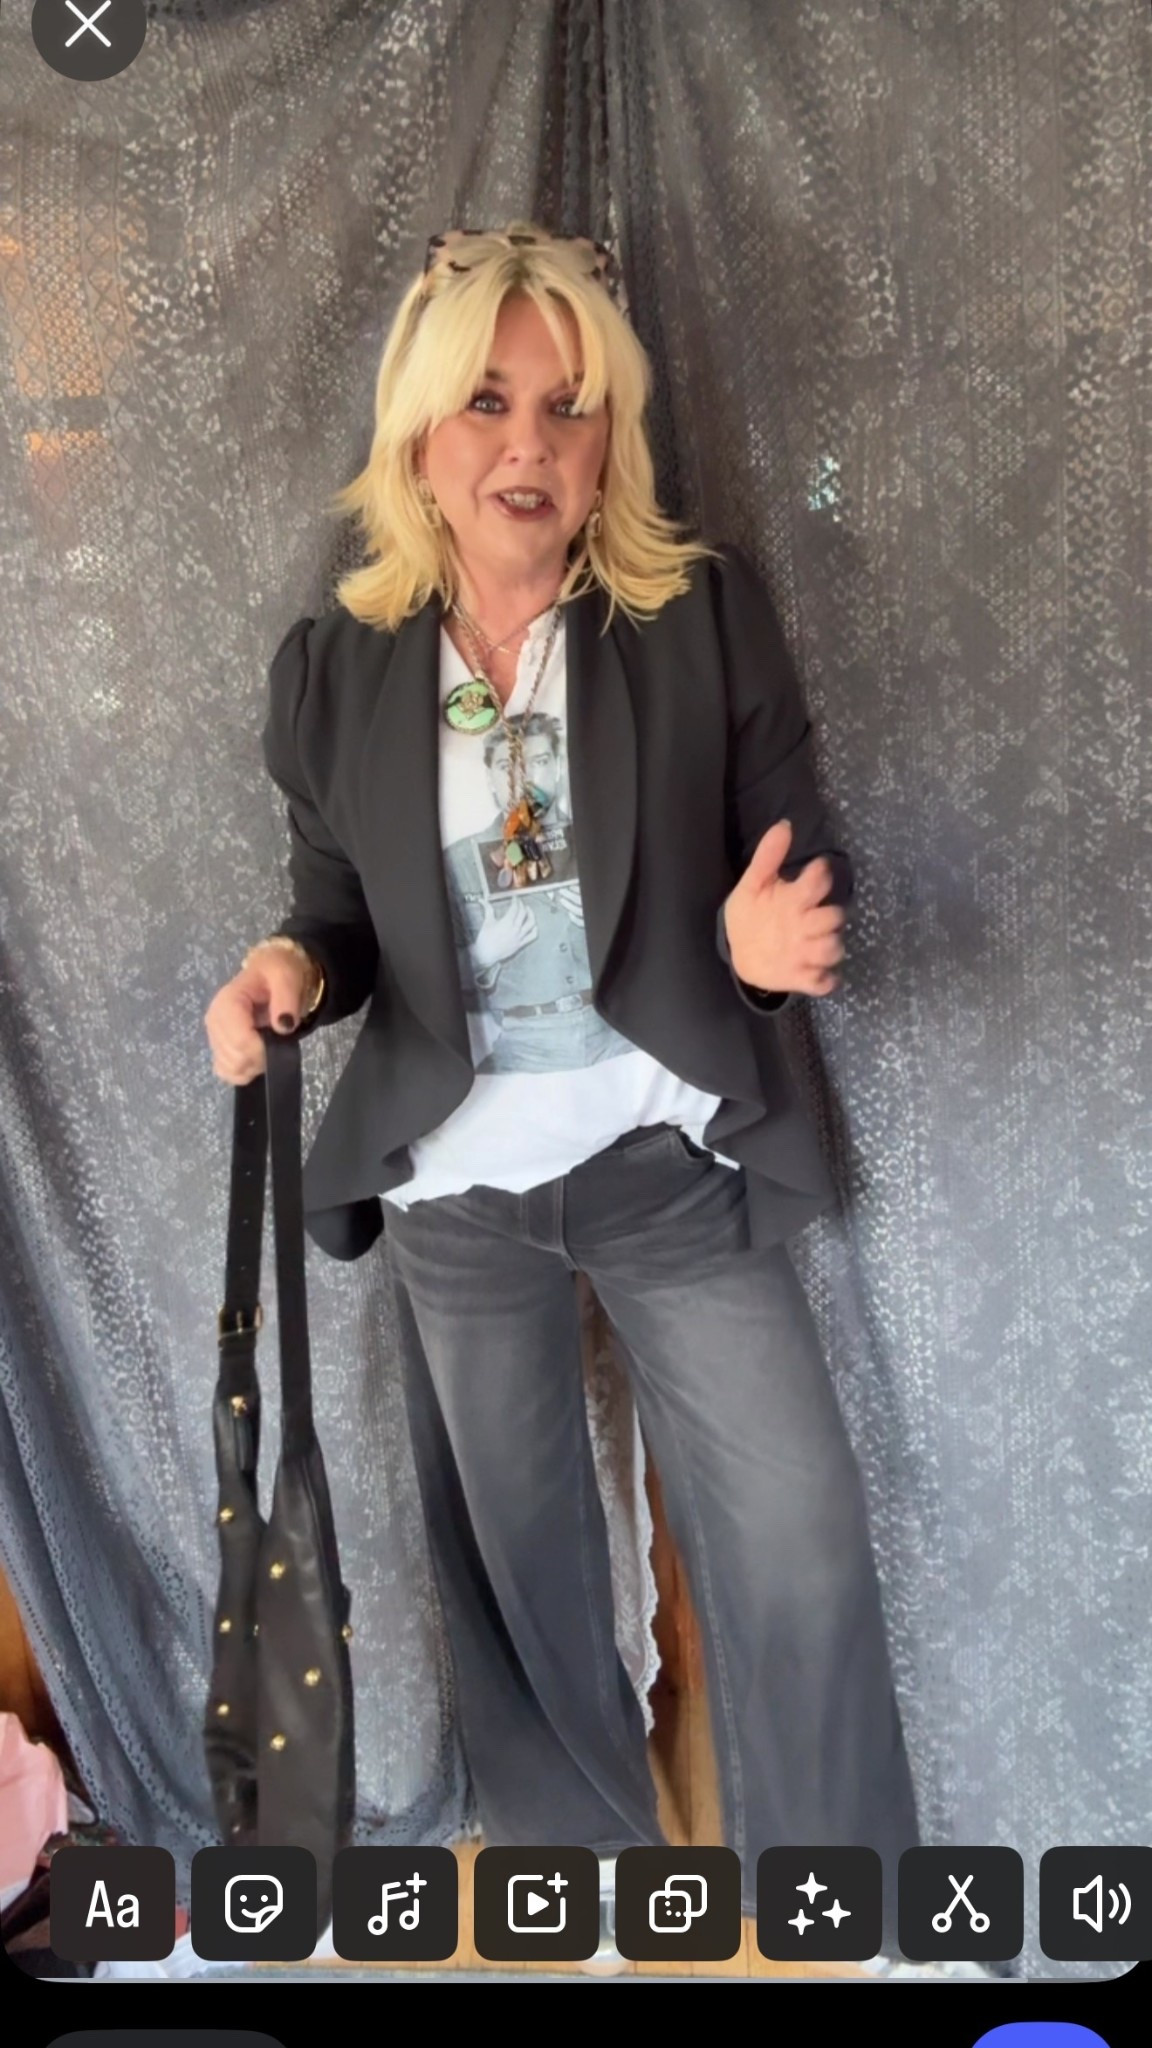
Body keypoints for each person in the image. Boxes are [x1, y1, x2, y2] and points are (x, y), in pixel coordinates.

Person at [203, 221, 920, 1952]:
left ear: (612, 439)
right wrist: (290, 971)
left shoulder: (695, 618)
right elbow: (337, 912)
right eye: (489, 402)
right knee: (520, 1577)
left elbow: (794, 870)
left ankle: (853, 1901)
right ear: (418, 433)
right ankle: (584, 1889)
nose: (530, 444)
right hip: (456, 1191)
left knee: (801, 1536)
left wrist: (760, 948)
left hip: (664, 1152)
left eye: (570, 406)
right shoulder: (339, 668)